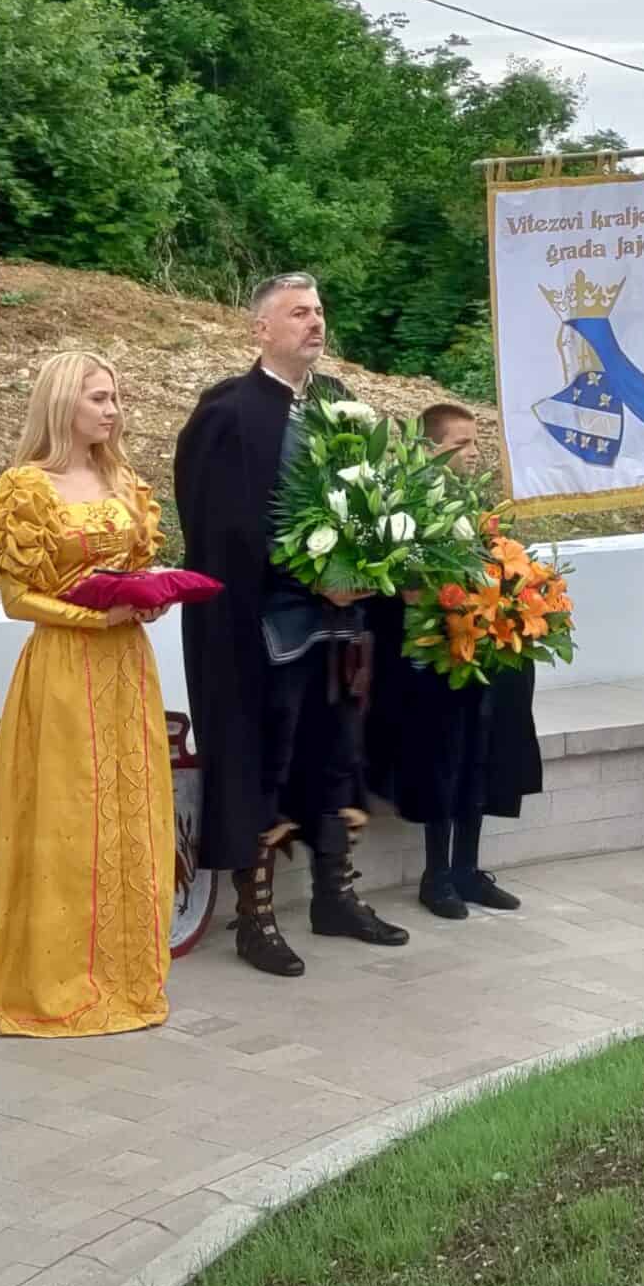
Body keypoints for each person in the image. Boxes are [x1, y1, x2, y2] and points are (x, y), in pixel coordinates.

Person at [176, 272, 409, 977]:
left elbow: (375, 500)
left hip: (338, 628)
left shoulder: (342, 404)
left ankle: (334, 898)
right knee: (264, 765)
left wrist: (367, 569)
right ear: (262, 329)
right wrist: (310, 577)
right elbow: (217, 528)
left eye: (318, 311)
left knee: (337, 754)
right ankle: (256, 918)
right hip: (262, 627)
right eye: (298, 312)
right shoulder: (228, 412)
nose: (314, 322)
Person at [0, 352, 177, 1036]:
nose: (112, 409)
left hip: (126, 668)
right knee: (67, 816)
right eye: (98, 398)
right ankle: (56, 982)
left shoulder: (120, 478)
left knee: (128, 811)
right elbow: (13, 598)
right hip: (63, 668)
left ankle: (125, 976)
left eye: (115, 396)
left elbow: (138, 567)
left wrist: (148, 602)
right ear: (63, 403)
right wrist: (94, 616)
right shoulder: (26, 488)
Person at [366, 403, 544, 919]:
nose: (472, 453)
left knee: (482, 754)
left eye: (474, 443)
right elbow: (399, 585)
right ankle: (436, 874)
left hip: (479, 648)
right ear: (429, 448)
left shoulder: (475, 506)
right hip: (431, 658)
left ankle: (468, 868)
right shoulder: (407, 506)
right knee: (441, 760)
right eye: (460, 444)